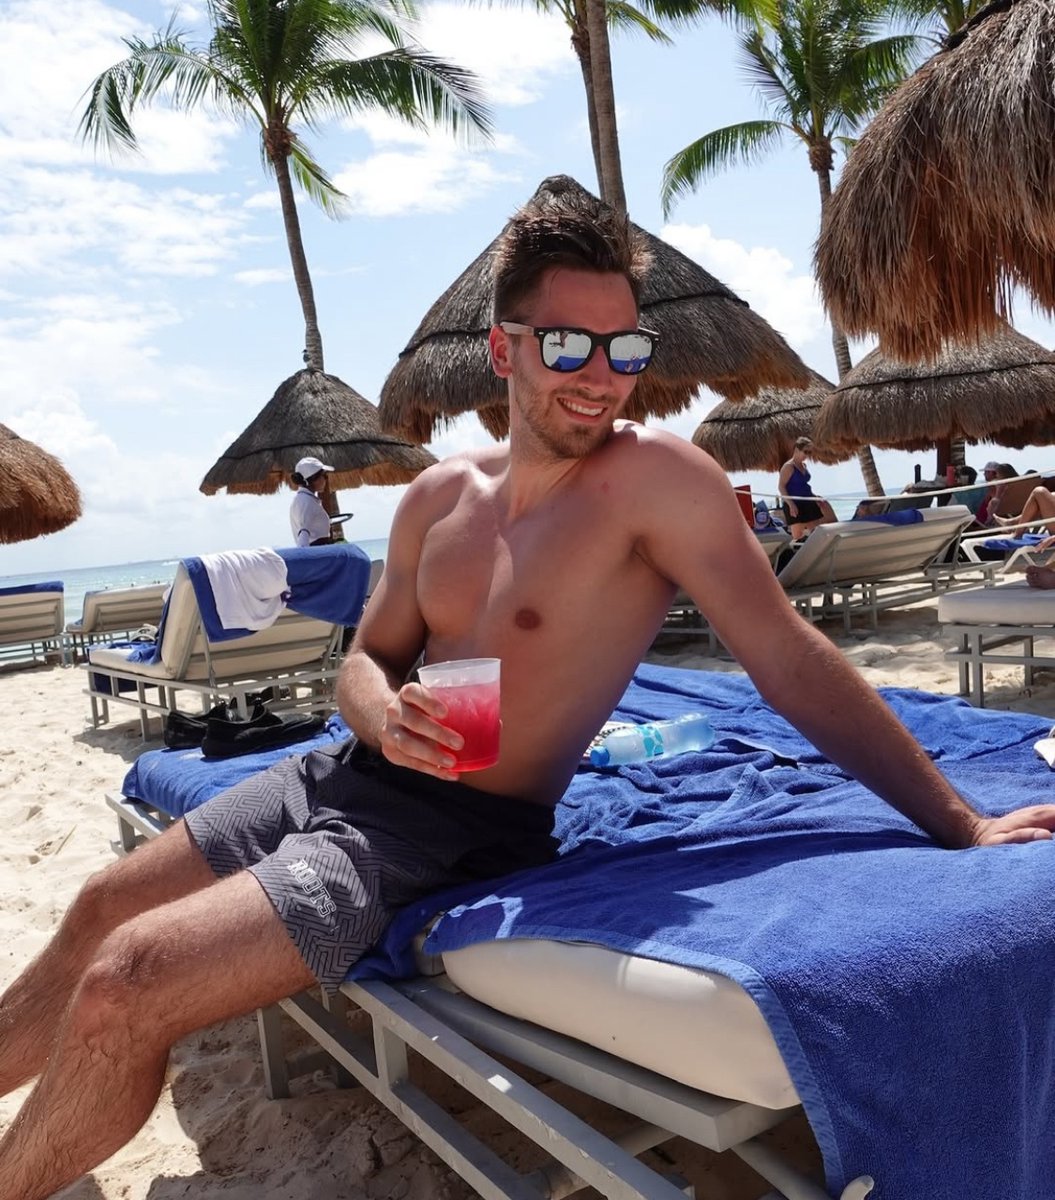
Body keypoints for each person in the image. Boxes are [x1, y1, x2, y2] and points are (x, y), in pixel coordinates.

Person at [4, 190, 1055, 1200]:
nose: (600, 377)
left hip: (444, 831)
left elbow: (787, 662)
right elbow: (364, 660)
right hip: (336, 775)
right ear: (502, 349)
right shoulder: (435, 500)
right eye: (566, 346)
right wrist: (379, 718)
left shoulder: (655, 483)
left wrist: (954, 822)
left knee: (130, 978)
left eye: (622, 350)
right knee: (101, 903)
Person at [777, 436, 837, 538]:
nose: (807, 455)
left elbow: (804, 486)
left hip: (808, 502)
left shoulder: (804, 466)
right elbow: (781, 487)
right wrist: (791, 504)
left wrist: (815, 497)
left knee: (816, 532)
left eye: (810, 453)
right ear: (797, 450)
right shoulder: (788, 467)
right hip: (795, 504)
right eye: (806, 452)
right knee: (797, 536)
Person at [289, 456, 336, 546]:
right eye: (324, 476)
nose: (326, 479)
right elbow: (303, 535)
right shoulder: (306, 502)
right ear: (314, 479)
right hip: (317, 553)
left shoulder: (304, 499)